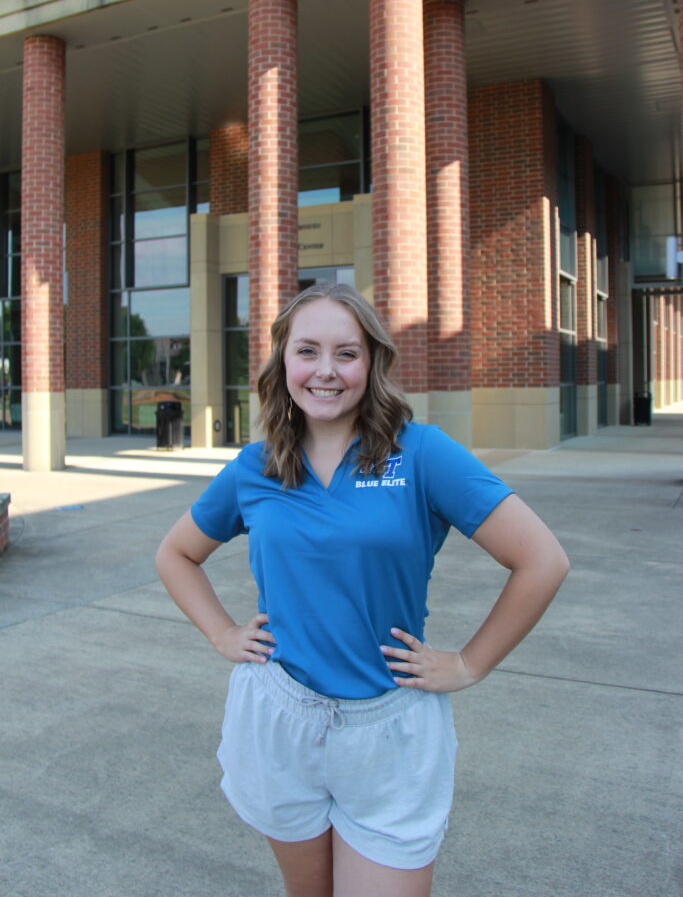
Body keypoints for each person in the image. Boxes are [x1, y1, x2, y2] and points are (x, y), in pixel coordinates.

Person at [155, 282, 569, 897]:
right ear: (282, 361)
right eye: (308, 351)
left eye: (346, 353)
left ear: (371, 363)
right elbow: (176, 553)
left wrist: (468, 663)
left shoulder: (422, 453)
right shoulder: (257, 464)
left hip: (390, 726)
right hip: (280, 716)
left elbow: (542, 560)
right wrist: (221, 631)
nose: (326, 371)